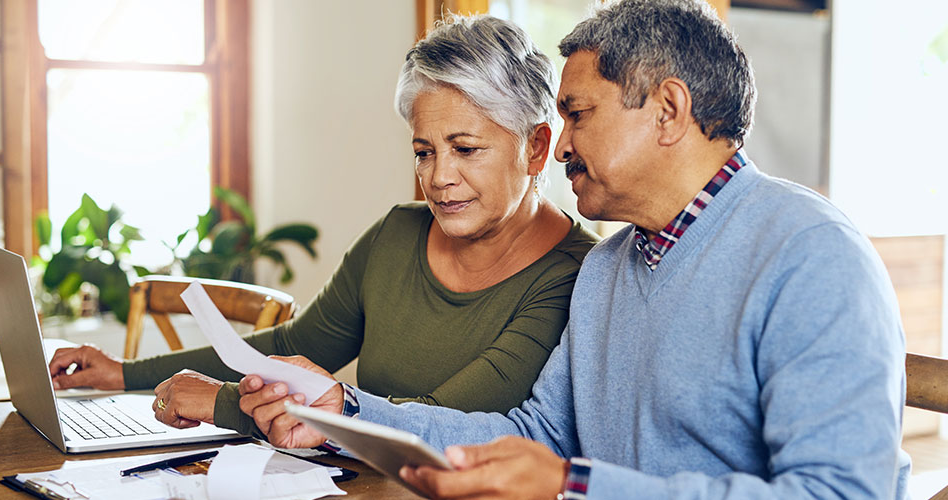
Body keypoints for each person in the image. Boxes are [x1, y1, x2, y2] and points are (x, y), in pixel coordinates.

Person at [234, 1, 912, 498]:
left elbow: (841, 495)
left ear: (668, 112)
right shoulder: (610, 268)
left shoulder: (812, 256)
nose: (557, 148)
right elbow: (535, 433)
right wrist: (345, 412)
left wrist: (573, 484)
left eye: (579, 114)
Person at [47, 15, 598, 437]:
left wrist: (222, 402)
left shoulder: (576, 276)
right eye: (424, 151)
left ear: (535, 147)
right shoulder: (397, 234)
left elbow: (443, 420)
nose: (439, 177)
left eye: (465, 149)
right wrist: (121, 373)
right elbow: (292, 343)